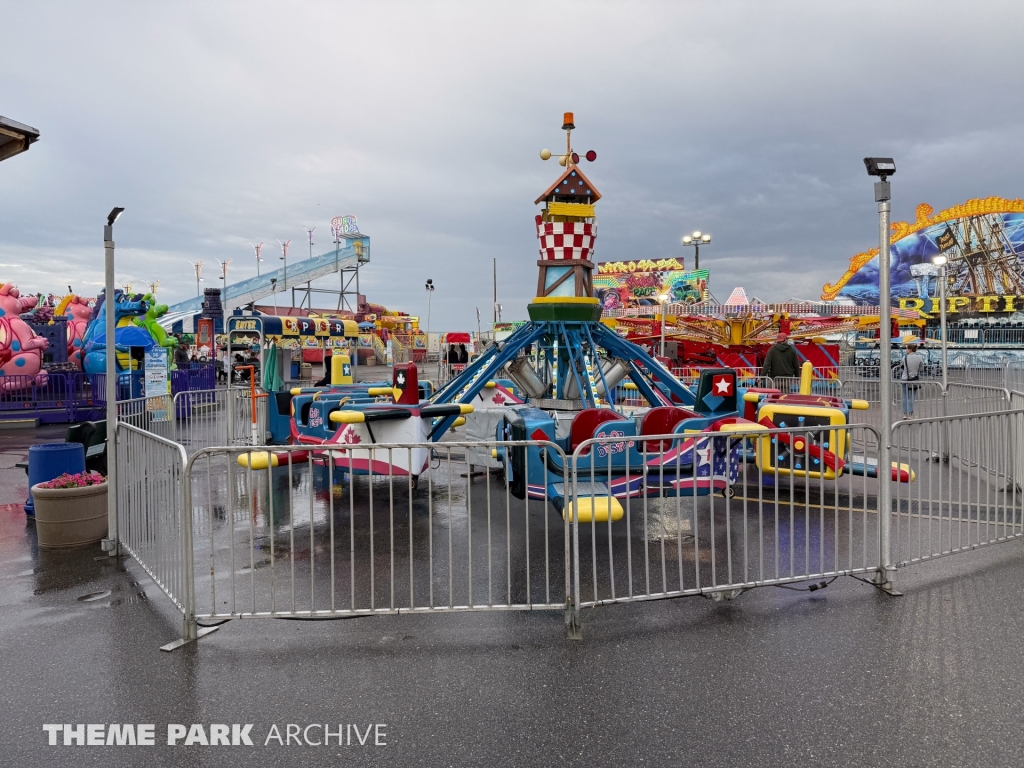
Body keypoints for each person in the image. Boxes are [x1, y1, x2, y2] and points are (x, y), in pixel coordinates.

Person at [900, 343, 925, 419]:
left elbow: (902, 367)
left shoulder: (904, 358)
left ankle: (905, 414)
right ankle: (910, 414)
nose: (906, 350)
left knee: (905, 396)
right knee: (912, 397)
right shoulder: (919, 358)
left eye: (906, 349)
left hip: (905, 378)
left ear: (910, 350)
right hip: (914, 379)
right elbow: (921, 368)